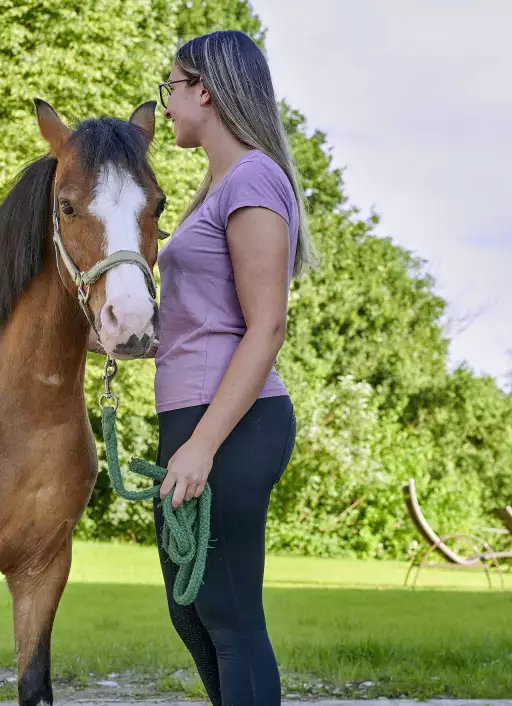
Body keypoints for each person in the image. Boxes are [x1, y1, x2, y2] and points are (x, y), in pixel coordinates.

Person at [152, 29, 319, 705]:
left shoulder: (253, 179)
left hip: (232, 423)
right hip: (194, 416)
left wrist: (202, 447)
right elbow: (198, 319)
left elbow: (266, 327)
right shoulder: (215, 185)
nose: (165, 103)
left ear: (205, 90)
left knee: (227, 613)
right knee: (192, 610)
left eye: (171, 86)